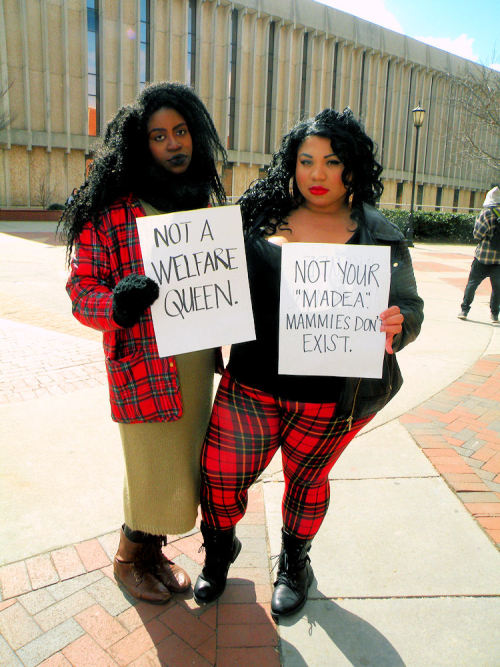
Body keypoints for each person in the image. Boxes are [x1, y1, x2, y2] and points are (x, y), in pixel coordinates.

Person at [193, 108, 424, 620]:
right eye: (306, 161)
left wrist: (397, 324)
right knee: (219, 473)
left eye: (332, 161)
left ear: (353, 167)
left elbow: (411, 308)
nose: (317, 174)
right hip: (250, 383)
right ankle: (219, 550)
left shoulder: (381, 236)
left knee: (306, 482)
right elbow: (210, 282)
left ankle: (294, 564)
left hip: (329, 399)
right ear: (291, 165)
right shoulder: (257, 219)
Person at [59, 81, 227, 604]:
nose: (174, 143)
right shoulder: (111, 211)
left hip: (196, 363)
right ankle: (129, 556)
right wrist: (116, 305)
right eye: (160, 135)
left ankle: (152, 550)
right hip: (143, 366)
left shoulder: (202, 206)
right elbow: (80, 289)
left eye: (180, 131)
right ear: (141, 143)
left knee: (184, 466)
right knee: (152, 468)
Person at [458, 185, 500, 323]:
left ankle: (464, 310)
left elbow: (477, 234)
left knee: (472, 284)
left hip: (482, 257)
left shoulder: (486, 213)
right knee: (497, 288)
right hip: (499, 260)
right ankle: (494, 315)